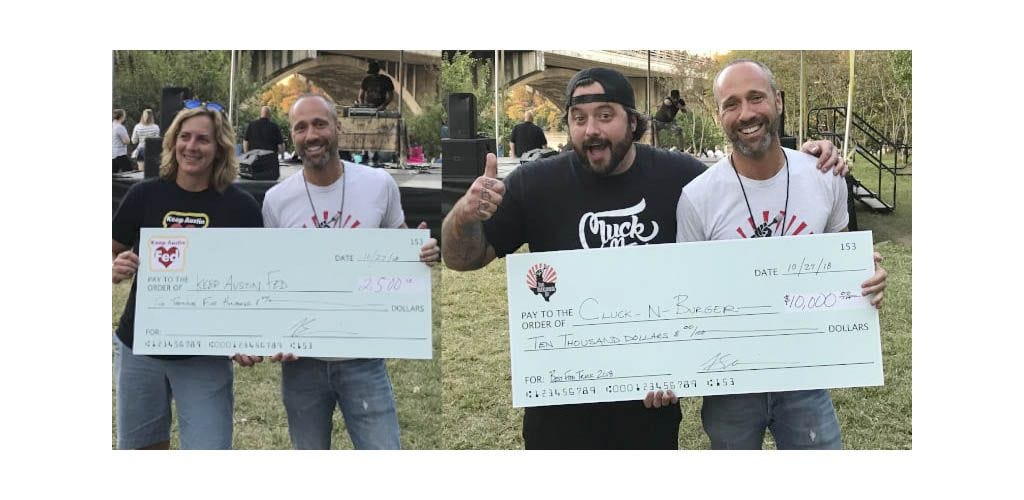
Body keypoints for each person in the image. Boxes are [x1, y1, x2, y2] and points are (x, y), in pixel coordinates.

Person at [441, 67, 847, 450]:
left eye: (605, 115)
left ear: (633, 122)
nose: (591, 130)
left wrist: (813, 159)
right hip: (560, 406)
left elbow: (745, 176)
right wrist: (464, 214)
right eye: (578, 118)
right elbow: (462, 259)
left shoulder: (682, 178)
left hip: (649, 408)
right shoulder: (534, 184)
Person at [644, 59, 888, 449]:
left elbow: (843, 263)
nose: (746, 113)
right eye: (731, 104)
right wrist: (667, 367)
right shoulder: (698, 198)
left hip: (806, 377)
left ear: (777, 100)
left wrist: (866, 278)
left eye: (756, 98)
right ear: (720, 114)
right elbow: (686, 296)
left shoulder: (824, 176)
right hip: (731, 382)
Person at [237, 94, 439, 450]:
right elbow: (272, 279)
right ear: (292, 137)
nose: (311, 134)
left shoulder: (378, 184)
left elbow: (400, 243)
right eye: (301, 127)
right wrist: (272, 334)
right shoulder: (276, 200)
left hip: (363, 358)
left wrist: (421, 252)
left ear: (338, 128)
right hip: (302, 363)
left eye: (319, 123)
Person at [111, 105, 263, 449]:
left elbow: (257, 281)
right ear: (172, 142)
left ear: (220, 147)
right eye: (185, 137)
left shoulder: (241, 207)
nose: (192, 146)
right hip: (141, 347)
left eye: (203, 139)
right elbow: (111, 250)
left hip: (205, 354)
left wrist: (249, 337)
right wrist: (114, 267)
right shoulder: (145, 195)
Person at [112, 109, 132, 173]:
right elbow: (126, 141)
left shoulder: (112, 125)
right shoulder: (120, 127)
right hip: (120, 154)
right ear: (121, 117)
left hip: (112, 153)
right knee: (129, 173)